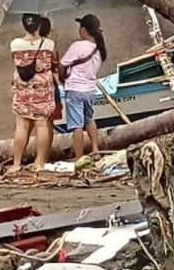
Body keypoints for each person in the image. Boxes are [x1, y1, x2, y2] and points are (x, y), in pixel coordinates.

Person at [9, 14, 57, 175]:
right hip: (42, 89)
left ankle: (16, 163)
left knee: (21, 126)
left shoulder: (15, 44)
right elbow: (52, 62)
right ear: (39, 25)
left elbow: (16, 61)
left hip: (23, 89)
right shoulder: (49, 44)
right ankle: (39, 163)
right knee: (42, 125)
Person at [60, 14, 107, 159]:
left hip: (75, 90)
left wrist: (62, 80)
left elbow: (62, 65)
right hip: (90, 91)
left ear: (84, 30)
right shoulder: (99, 50)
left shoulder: (78, 46)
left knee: (77, 125)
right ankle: (96, 151)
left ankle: (79, 157)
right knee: (90, 119)